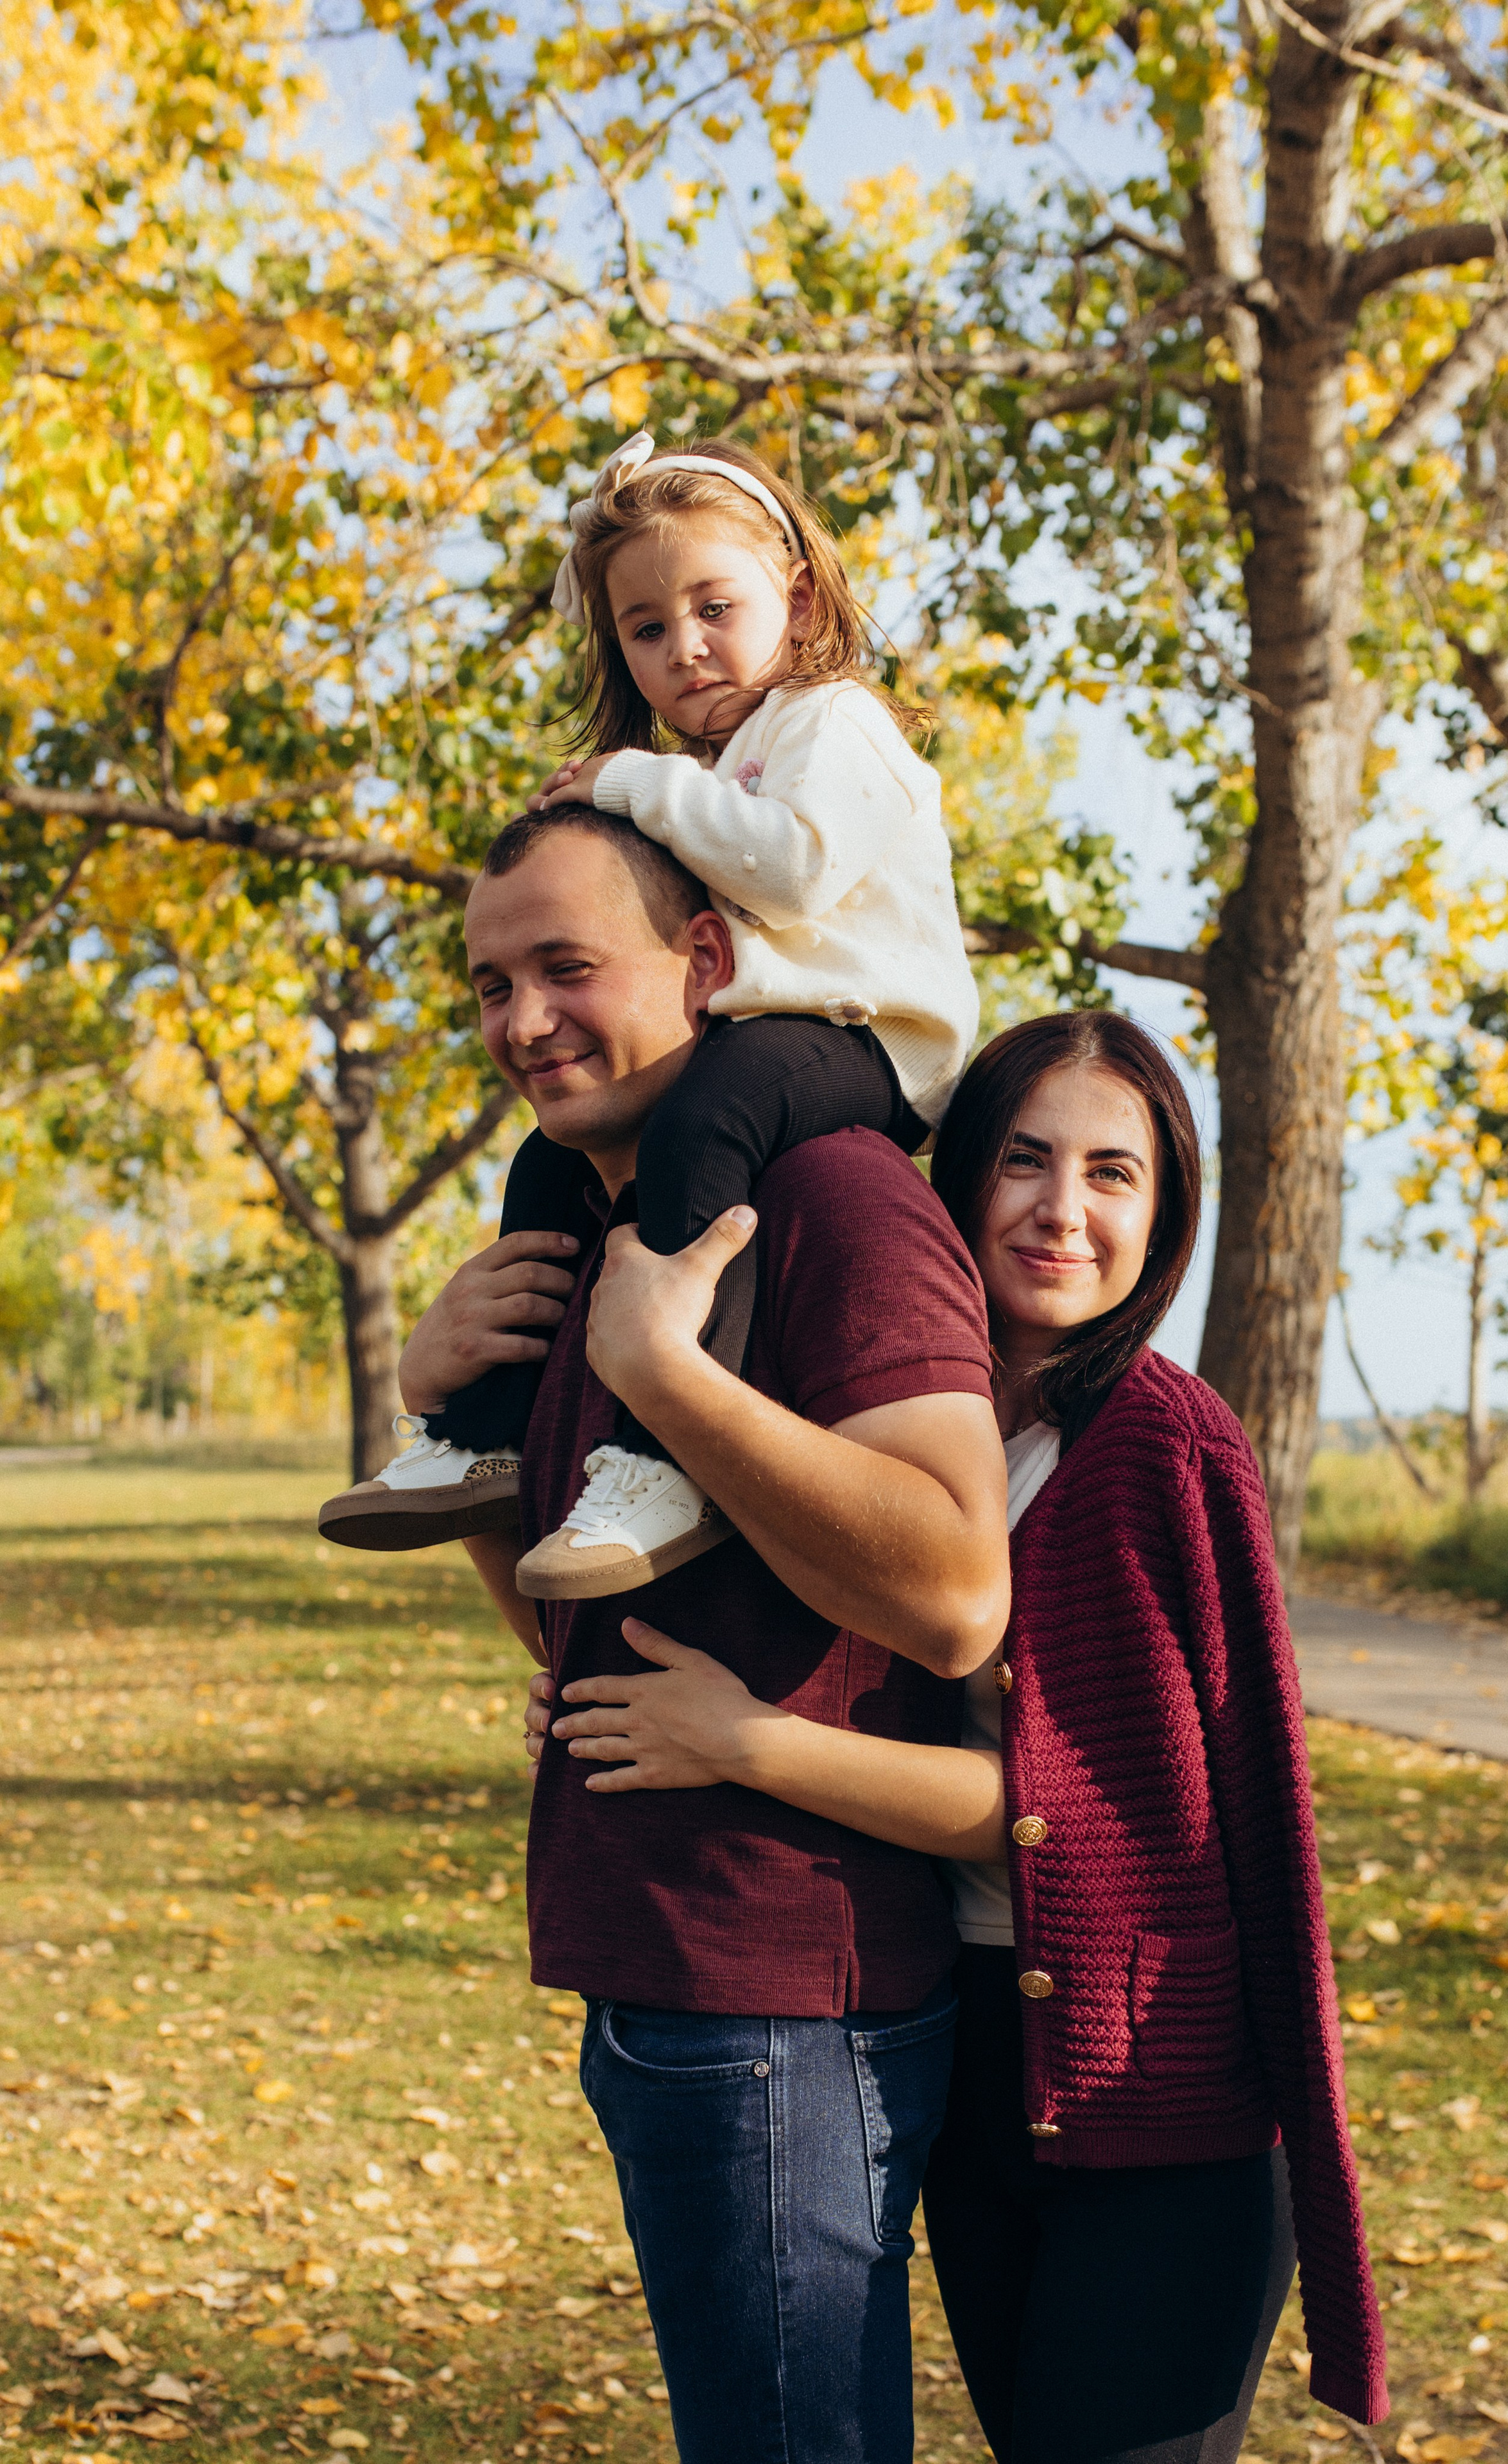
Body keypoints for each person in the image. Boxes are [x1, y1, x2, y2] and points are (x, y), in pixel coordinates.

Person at [527, 1010, 1390, 2463]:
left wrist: (746, 1743)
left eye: (1113, 1174)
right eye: (1024, 1162)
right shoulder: (867, 1416)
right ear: (959, 1178)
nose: (1064, 1210)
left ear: (1164, 1212)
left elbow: (1101, 1829)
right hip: (965, 2073)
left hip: (1151, 2114)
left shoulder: (1160, 1450)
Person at [390, 797, 1013, 2464]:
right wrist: (444, 1408)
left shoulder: (833, 1202)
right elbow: (567, 1626)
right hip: (663, 1973)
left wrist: (666, 1373)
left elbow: (958, 1592)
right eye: (488, 983)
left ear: (711, 960)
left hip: (782, 1998)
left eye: (570, 967)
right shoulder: (604, 1234)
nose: (522, 1021)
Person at [319, 427, 978, 1595]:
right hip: (781, 1024)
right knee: (542, 1168)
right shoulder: (724, 761)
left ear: (800, 587)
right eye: (647, 629)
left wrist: (629, 781)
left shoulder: (835, 721)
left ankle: (661, 1448)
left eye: (715, 606)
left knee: (696, 1131)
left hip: (873, 1036)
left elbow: (792, 874)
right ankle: (486, 1435)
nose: (686, 649)